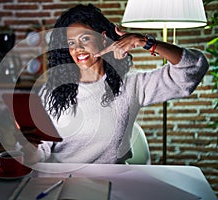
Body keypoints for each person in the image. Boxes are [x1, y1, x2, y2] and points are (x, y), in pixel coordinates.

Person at [20, 4, 209, 164]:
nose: (78, 49)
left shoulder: (132, 84)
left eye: (85, 39)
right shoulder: (52, 91)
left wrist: (147, 42)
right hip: (64, 179)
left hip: (114, 180)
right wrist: (29, 147)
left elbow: (193, 68)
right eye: (71, 43)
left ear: (103, 38)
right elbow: (42, 149)